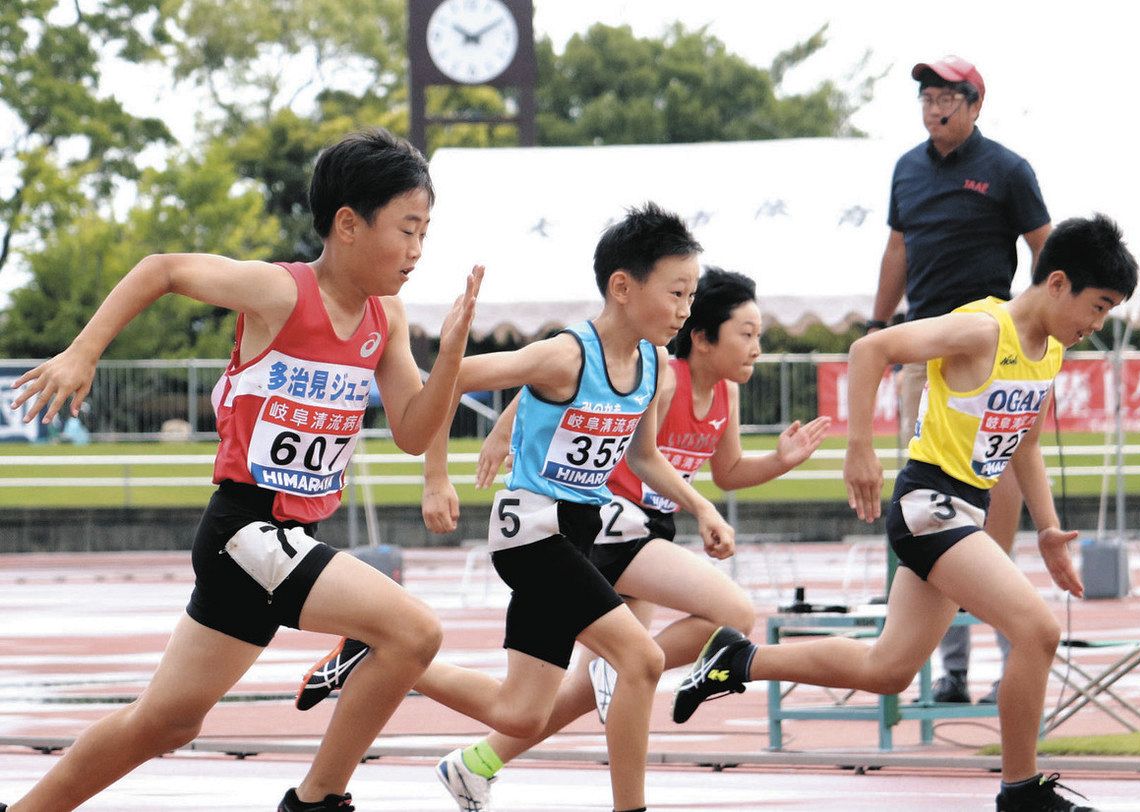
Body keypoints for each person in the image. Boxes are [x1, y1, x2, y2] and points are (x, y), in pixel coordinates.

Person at [3, 129, 484, 812]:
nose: (416, 252)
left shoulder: (388, 319)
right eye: (407, 230)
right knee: (414, 632)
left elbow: (412, 431)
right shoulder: (280, 292)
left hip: (279, 546)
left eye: (425, 234)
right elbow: (161, 268)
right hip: (247, 530)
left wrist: (454, 357)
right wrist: (83, 354)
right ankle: (316, 800)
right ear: (348, 225)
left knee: (165, 723)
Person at [296, 267, 831, 812]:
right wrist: (442, 473)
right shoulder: (583, 353)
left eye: (690, 297)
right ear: (625, 288)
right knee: (647, 658)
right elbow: (464, 376)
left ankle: (387, 667)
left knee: (521, 711)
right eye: (676, 295)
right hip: (548, 534)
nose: (682, 309)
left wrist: (703, 504)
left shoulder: (652, 362)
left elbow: (649, 457)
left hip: (585, 530)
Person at [673, 215, 1138, 812]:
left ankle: (737, 659)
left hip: (963, 509)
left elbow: (1024, 442)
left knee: (888, 669)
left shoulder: (1048, 352)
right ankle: (1021, 791)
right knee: (1038, 631)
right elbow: (872, 348)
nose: (1096, 326)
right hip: (930, 505)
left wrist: (1047, 529)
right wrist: (860, 447)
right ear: (1056, 283)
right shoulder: (981, 328)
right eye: (1097, 307)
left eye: (1108, 314)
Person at [869, 55, 1052, 705]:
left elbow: (1047, 248)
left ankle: (1013, 651)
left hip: (991, 346)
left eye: (948, 96)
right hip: (927, 348)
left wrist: (1040, 323)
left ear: (976, 105)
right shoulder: (907, 169)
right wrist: (877, 321)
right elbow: (898, 248)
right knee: (933, 496)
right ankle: (949, 668)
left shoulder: (1006, 169)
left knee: (992, 491)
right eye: (926, 97)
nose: (934, 107)